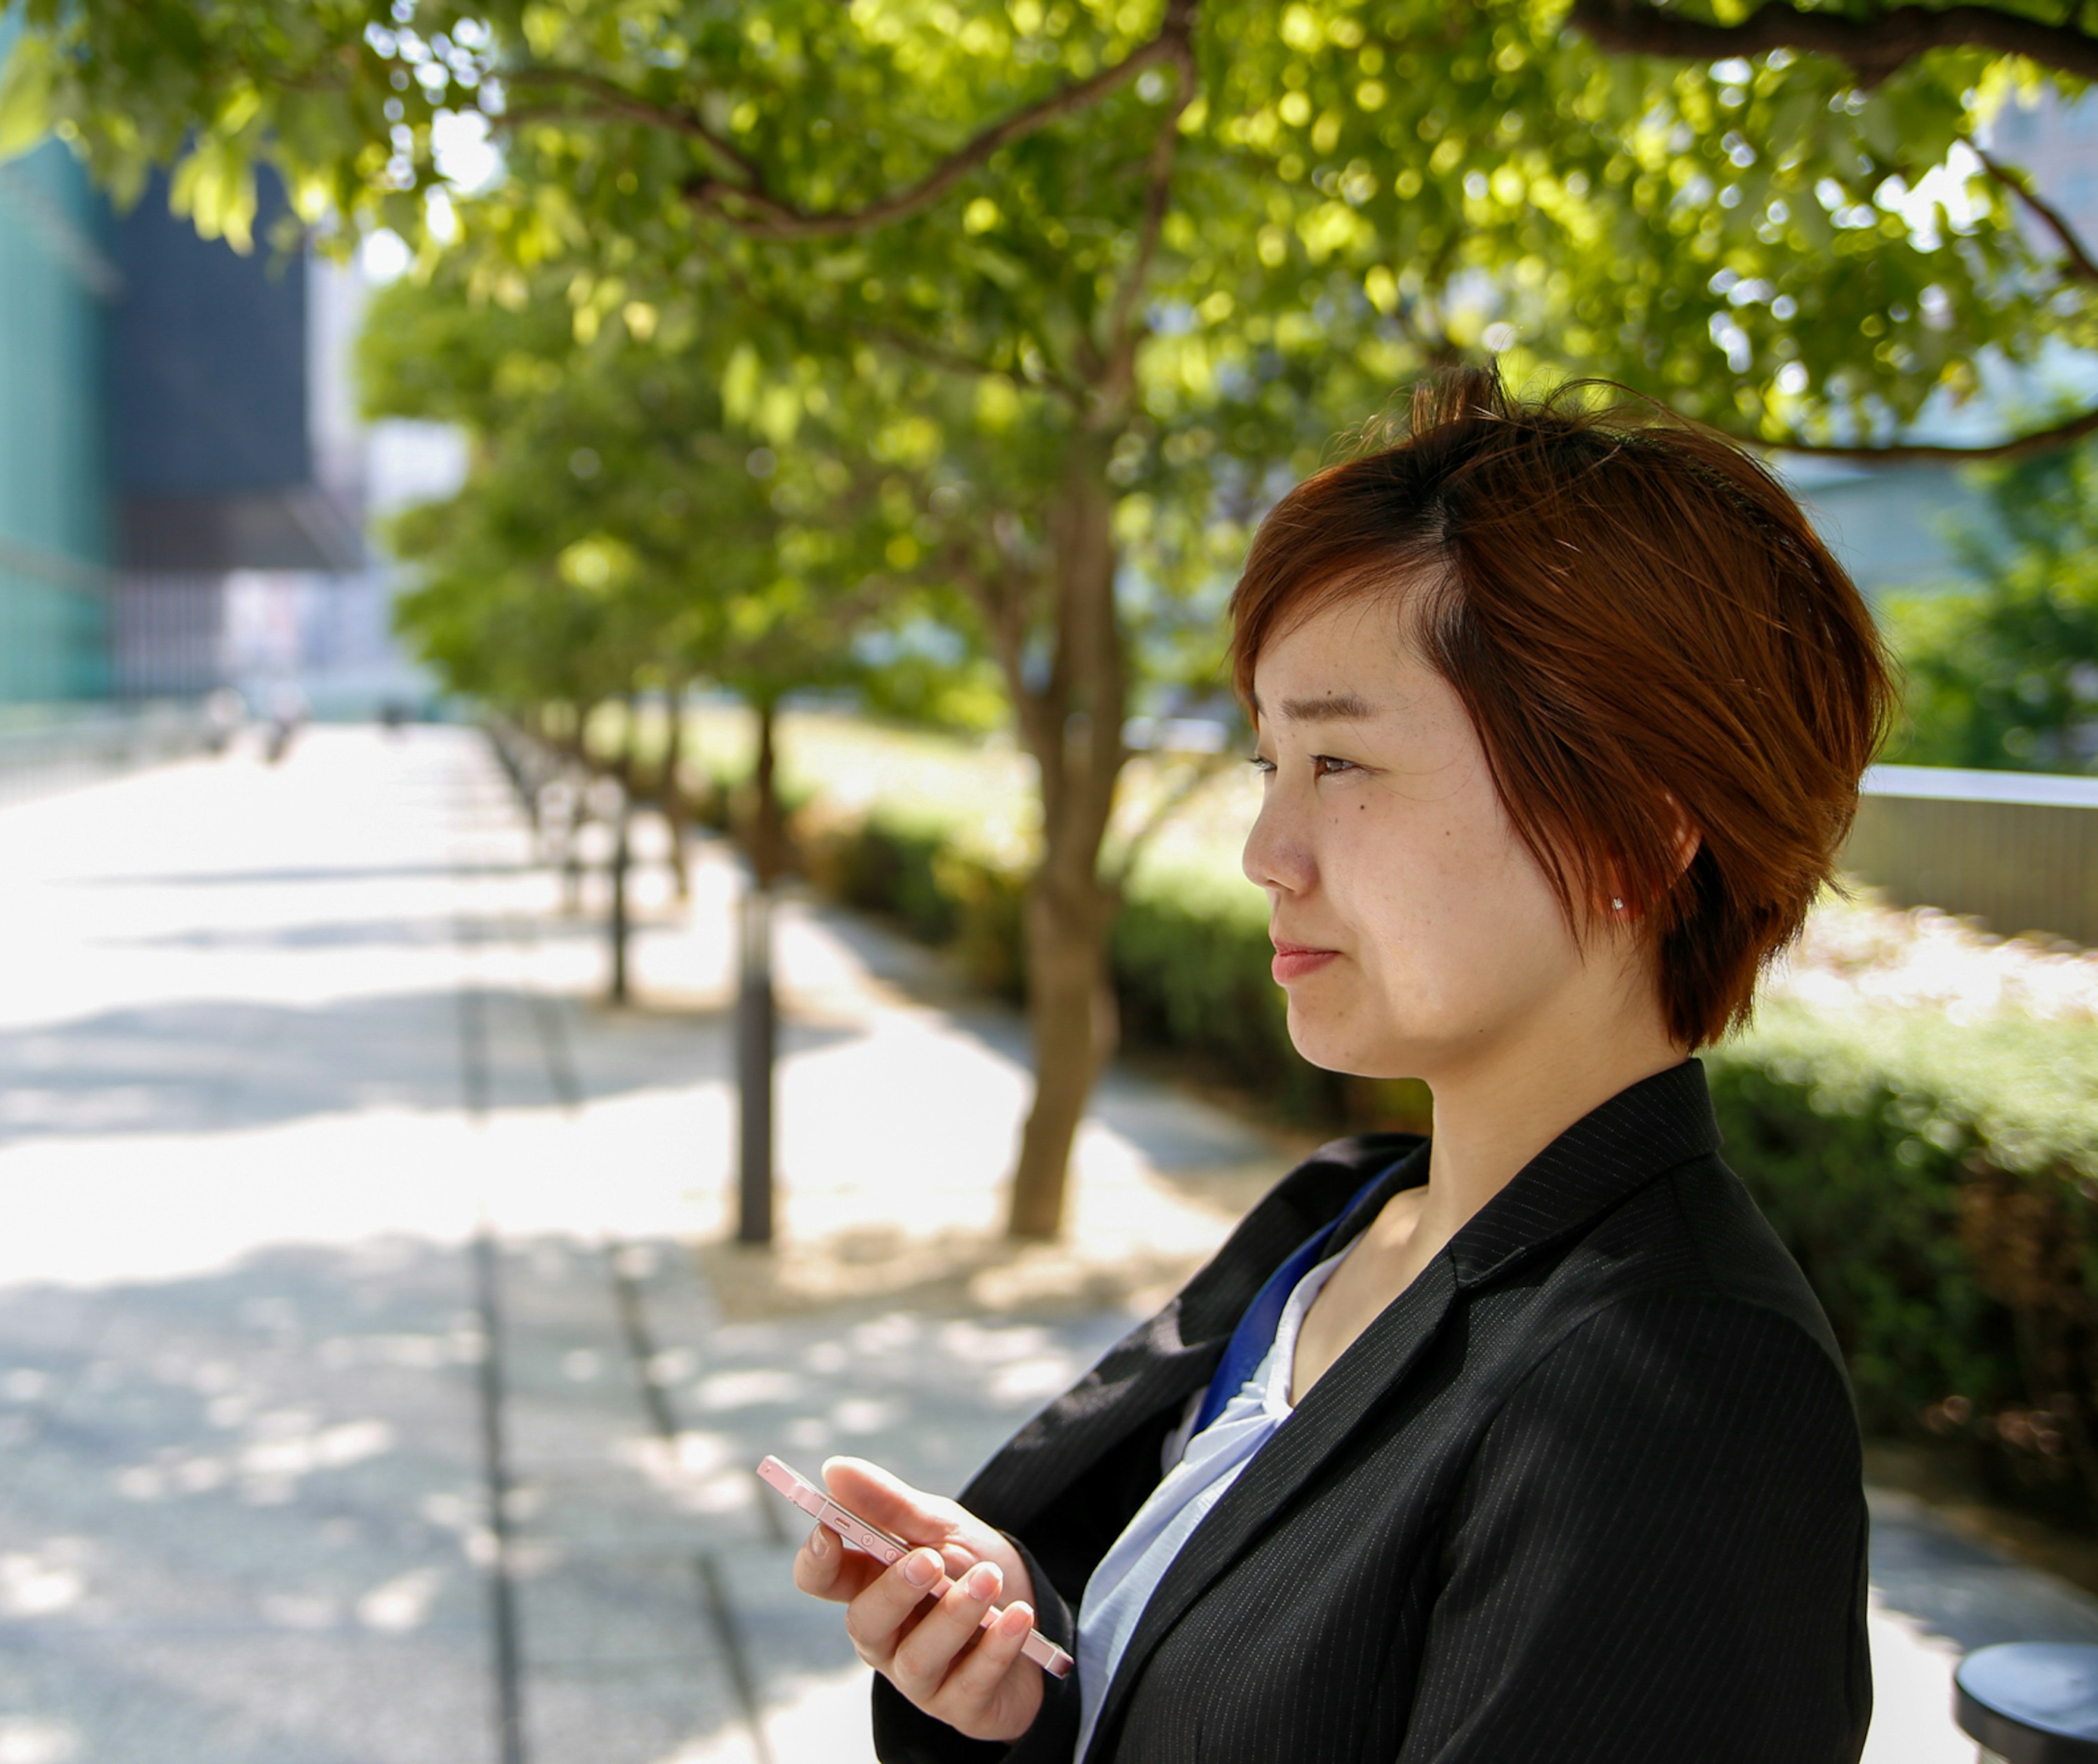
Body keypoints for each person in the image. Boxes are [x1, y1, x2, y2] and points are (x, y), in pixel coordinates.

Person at [790, 366, 1889, 1763]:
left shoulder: (1679, 1389)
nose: (1266, 852)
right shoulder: (1353, 1212)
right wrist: (1029, 1684)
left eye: (1343, 764)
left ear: (1637, 829)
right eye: (1267, 763)